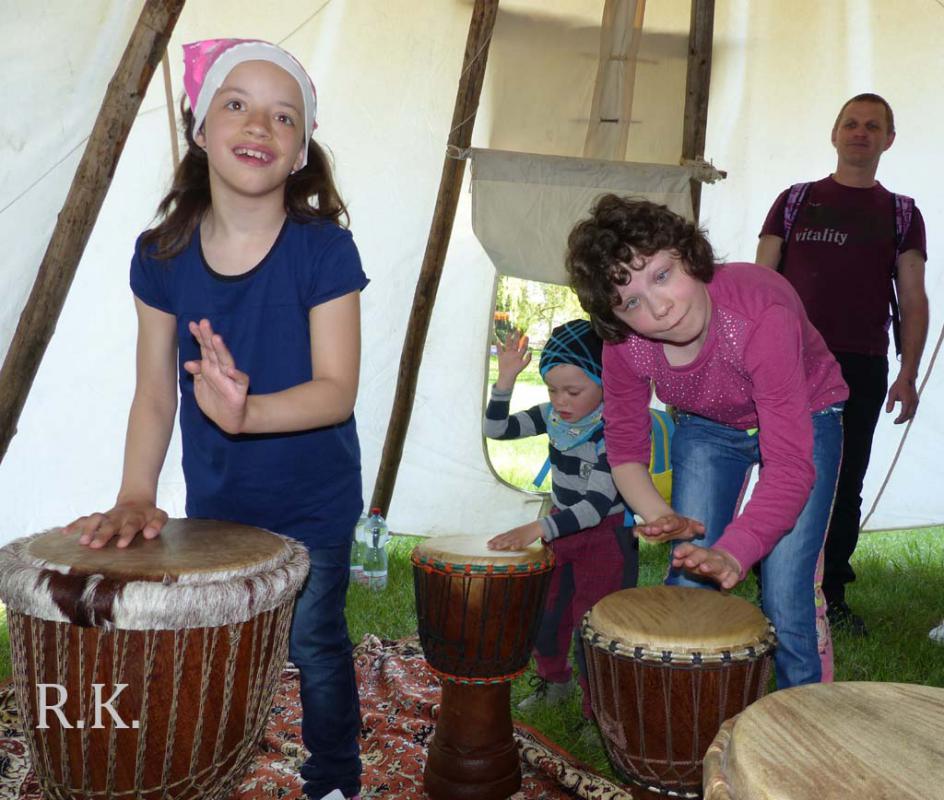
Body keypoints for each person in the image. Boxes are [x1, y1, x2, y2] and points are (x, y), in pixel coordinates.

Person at [63, 39, 366, 800]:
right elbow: (155, 392)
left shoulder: (324, 251)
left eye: (283, 115)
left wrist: (244, 411)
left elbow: (337, 392)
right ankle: (220, 760)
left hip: (315, 500)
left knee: (313, 640)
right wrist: (137, 493)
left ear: (300, 152)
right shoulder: (162, 255)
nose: (259, 123)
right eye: (237, 104)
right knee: (224, 645)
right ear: (200, 130)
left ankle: (335, 778)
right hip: (221, 503)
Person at [566, 195, 849, 689]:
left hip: (807, 411)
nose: (660, 307)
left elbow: (789, 468)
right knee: (689, 576)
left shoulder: (761, 314)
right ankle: (690, 713)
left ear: (691, 257)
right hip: (709, 421)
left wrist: (736, 551)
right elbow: (627, 450)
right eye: (630, 301)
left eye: (661, 274)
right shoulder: (624, 345)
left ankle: (805, 716)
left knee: (787, 590)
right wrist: (659, 516)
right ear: (616, 316)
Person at [756, 94, 929, 637]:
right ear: (834, 134)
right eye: (851, 124)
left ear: (888, 140)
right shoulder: (794, 200)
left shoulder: (902, 212)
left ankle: (829, 594)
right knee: (782, 471)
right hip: (787, 360)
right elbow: (760, 283)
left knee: (844, 481)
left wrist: (908, 372)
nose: (860, 133)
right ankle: (773, 586)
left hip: (861, 365)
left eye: (872, 126)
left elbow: (914, 297)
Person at [485, 319, 638, 717]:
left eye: (573, 390)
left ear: (605, 382)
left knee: (596, 627)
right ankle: (556, 682)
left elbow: (595, 507)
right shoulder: (552, 417)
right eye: (553, 389)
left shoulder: (615, 430)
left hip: (605, 541)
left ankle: (598, 710)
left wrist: (536, 528)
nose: (561, 401)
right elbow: (496, 429)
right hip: (561, 532)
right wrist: (504, 381)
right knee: (547, 613)